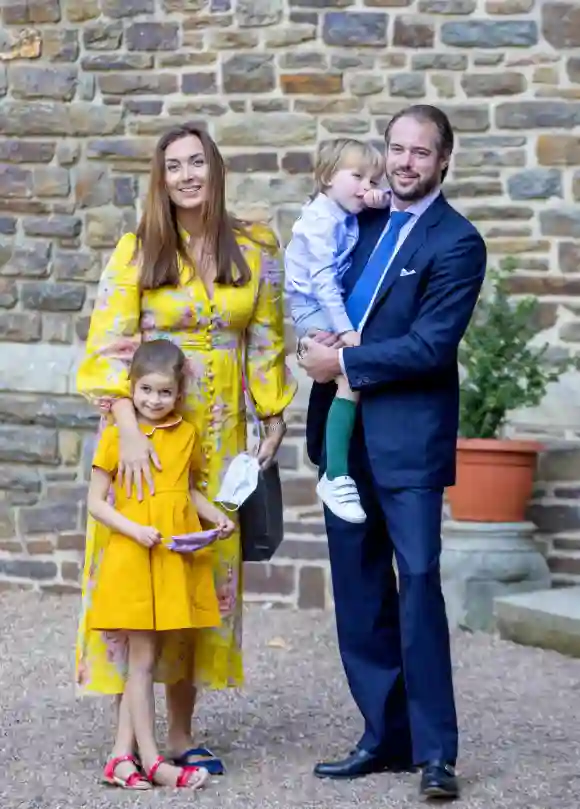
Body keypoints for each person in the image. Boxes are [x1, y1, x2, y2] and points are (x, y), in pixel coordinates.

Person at [76, 123, 296, 779]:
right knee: (138, 580)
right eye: (174, 166)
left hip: (219, 441)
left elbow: (267, 336)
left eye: (198, 161)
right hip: (144, 439)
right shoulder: (137, 248)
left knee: (196, 584)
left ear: (215, 168)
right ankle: (130, 742)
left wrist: (274, 414)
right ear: (161, 178)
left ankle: (176, 735)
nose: (188, 175)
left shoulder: (255, 247)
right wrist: (130, 427)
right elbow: (108, 348)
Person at [298, 105, 487, 801]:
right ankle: (384, 735)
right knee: (358, 589)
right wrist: (306, 349)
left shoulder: (457, 241)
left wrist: (346, 364)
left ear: (444, 161)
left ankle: (436, 753)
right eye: (397, 149)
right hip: (345, 440)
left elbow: (432, 345)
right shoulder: (359, 220)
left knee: (418, 586)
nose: (405, 162)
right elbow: (316, 293)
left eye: (420, 152)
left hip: (408, 442)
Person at [88, 339, 235, 789]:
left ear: (179, 392)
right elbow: (96, 504)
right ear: (131, 388)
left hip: (171, 557)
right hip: (134, 556)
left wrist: (215, 516)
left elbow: (183, 489)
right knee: (143, 660)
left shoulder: (187, 434)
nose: (154, 400)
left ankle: (125, 759)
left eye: (164, 392)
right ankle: (150, 760)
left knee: (152, 660)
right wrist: (134, 531)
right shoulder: (116, 437)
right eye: (146, 390)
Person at [285, 138, 388, 524]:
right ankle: (335, 474)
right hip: (315, 307)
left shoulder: (342, 211)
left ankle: (336, 471)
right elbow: (324, 283)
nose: (367, 186)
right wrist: (346, 333)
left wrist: (380, 195)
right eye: (358, 176)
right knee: (351, 374)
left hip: (327, 306)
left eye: (373, 178)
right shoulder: (320, 222)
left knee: (351, 375)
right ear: (328, 177)